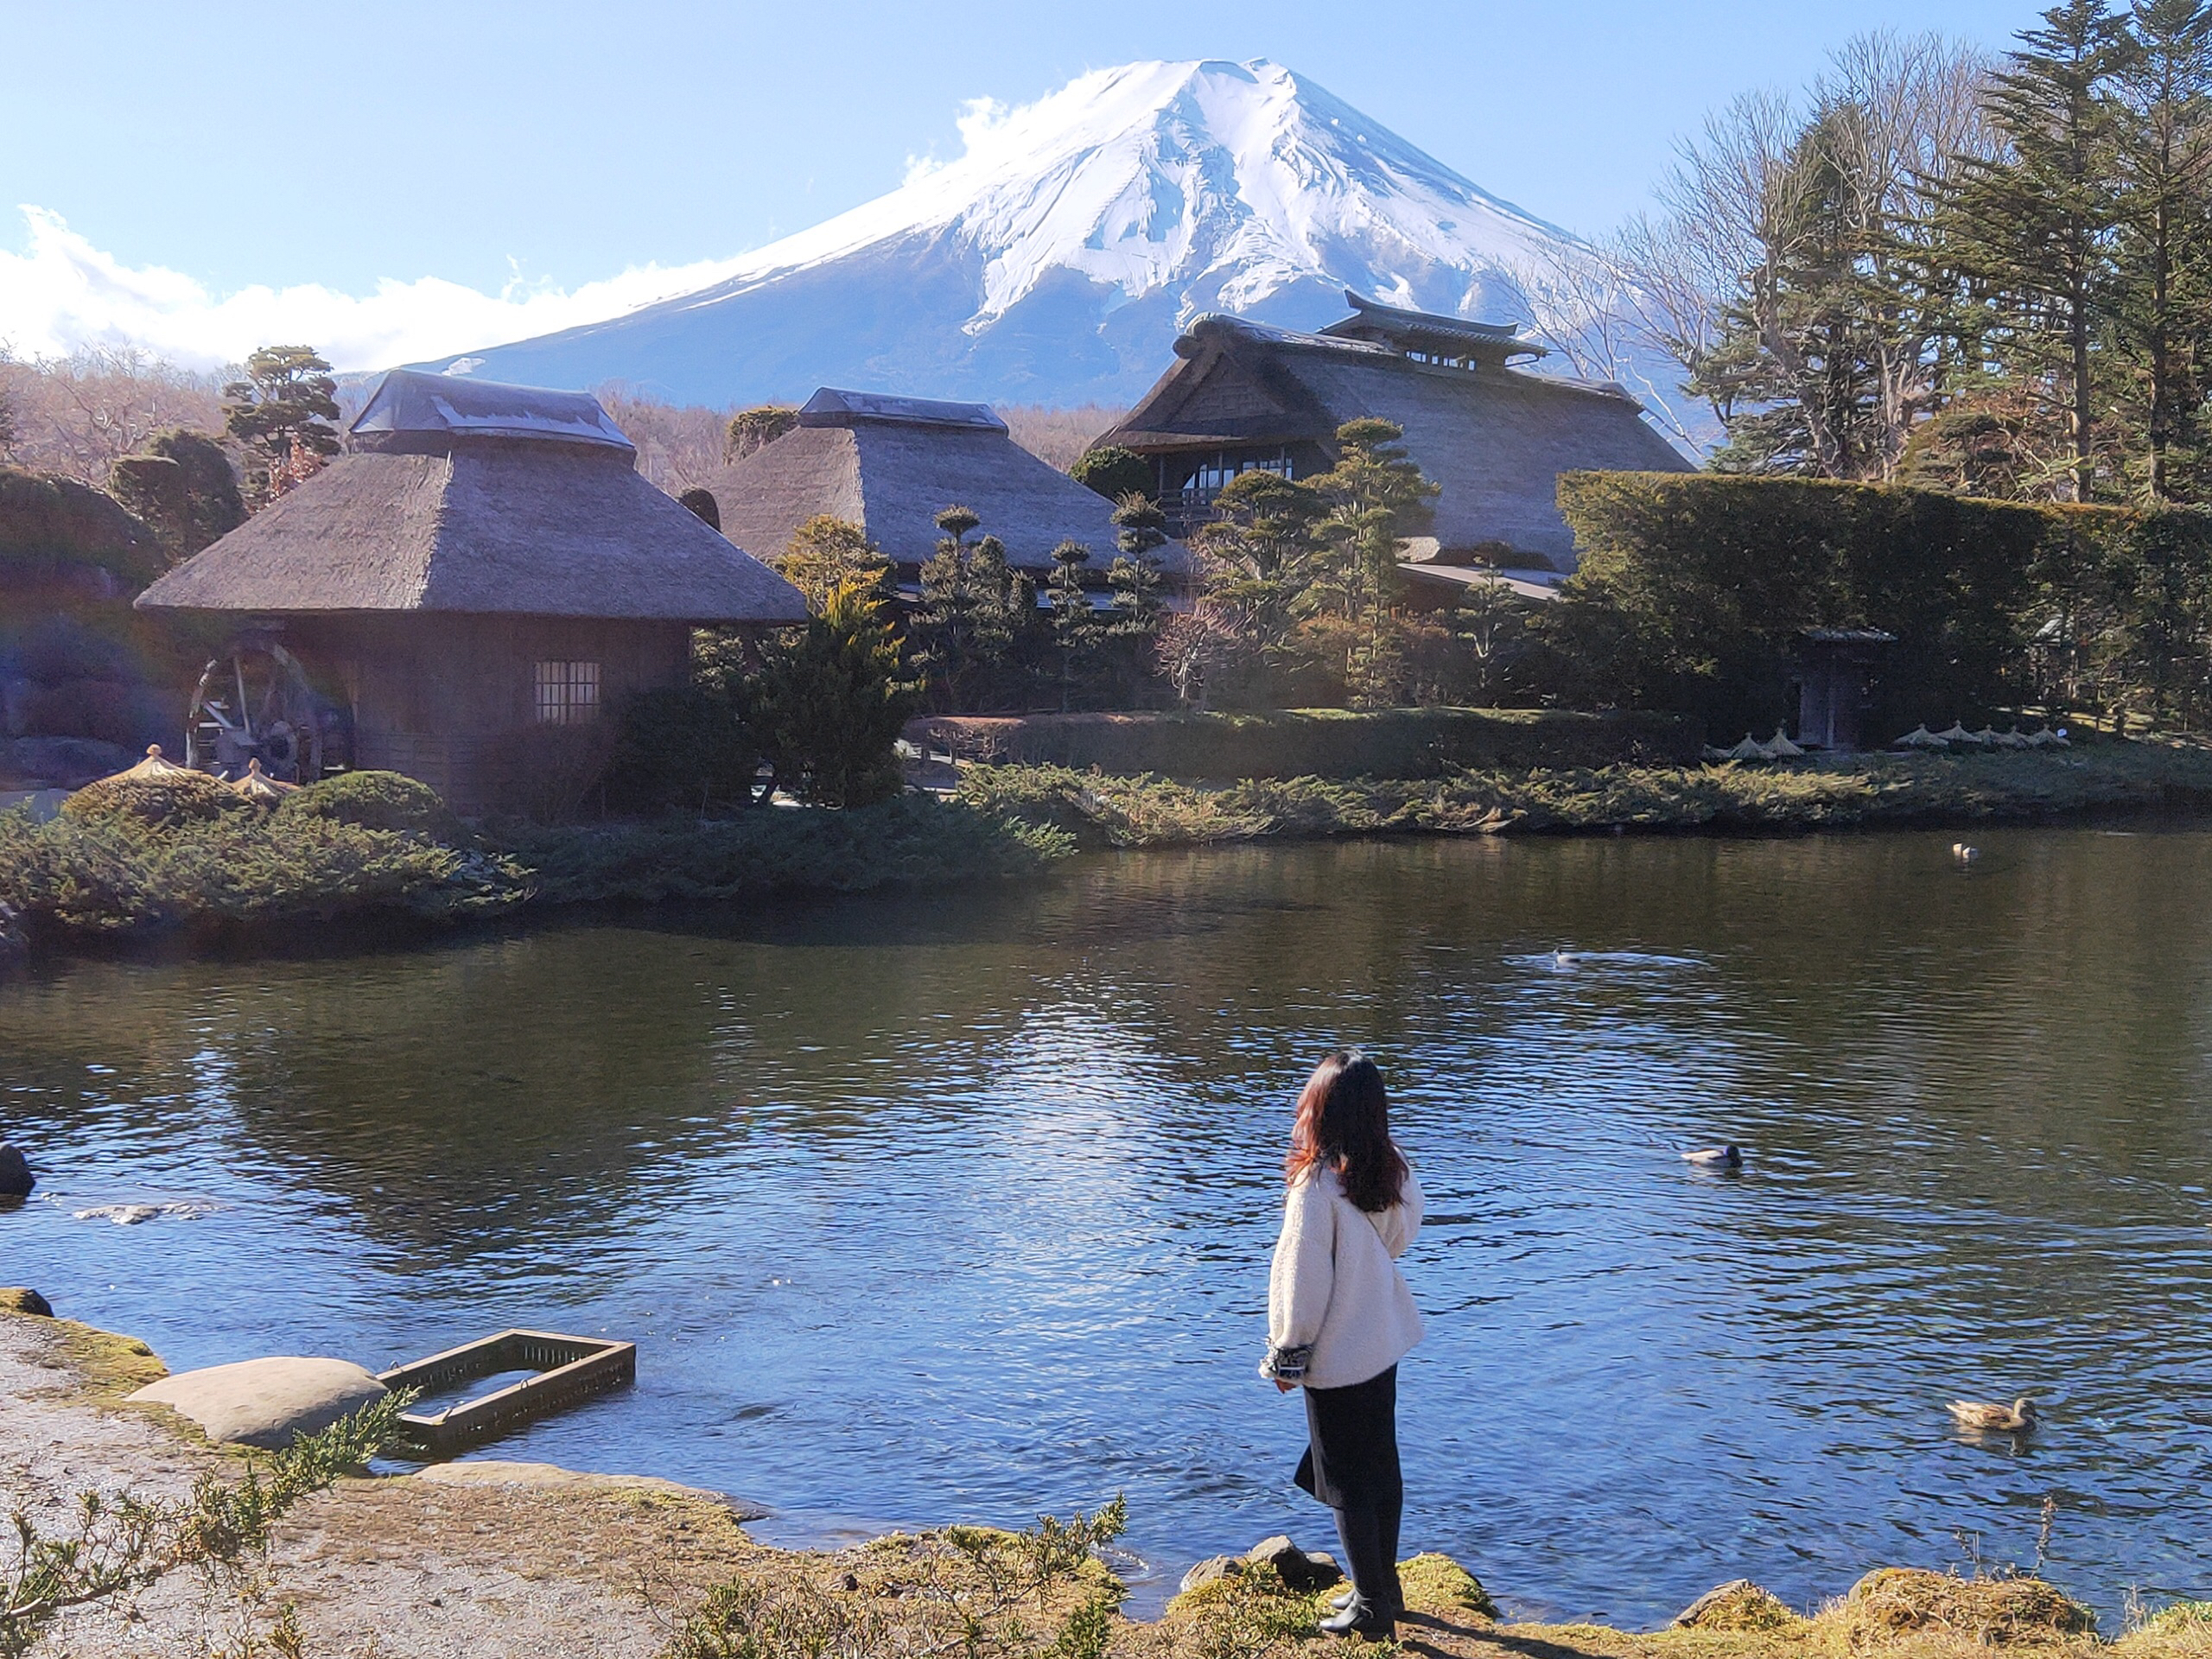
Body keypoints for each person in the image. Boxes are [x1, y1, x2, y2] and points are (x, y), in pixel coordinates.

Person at [1261, 1050, 1424, 1641]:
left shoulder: (1316, 1187)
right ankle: (1387, 1587)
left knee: (1345, 1480)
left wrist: (1289, 1355)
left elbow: (1303, 1281)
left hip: (1337, 1353)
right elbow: (1403, 1236)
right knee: (1381, 1463)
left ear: (1321, 1111)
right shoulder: (1389, 1168)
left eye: (1308, 1102)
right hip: (1382, 1338)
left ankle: (1370, 1606)